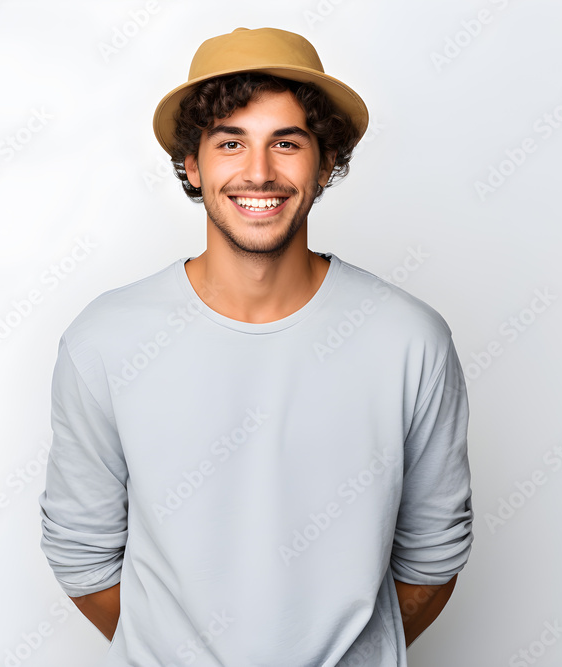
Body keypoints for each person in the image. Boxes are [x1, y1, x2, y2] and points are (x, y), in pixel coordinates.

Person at [38, 26, 474, 666]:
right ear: (192, 164)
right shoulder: (105, 340)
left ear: (325, 162)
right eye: (230, 142)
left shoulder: (410, 340)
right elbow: (82, 553)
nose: (259, 172)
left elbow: (432, 557)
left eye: (286, 143)